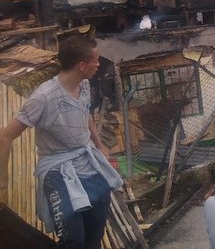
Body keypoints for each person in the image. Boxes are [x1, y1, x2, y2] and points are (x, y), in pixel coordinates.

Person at [0, 36, 123, 249]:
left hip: (86, 164)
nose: (99, 64)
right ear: (82, 66)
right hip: (58, 170)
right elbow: (5, 136)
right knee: (73, 240)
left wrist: (100, 145)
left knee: (94, 234)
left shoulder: (84, 85)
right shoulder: (44, 97)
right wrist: (2, 178)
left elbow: (84, 114)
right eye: (95, 60)